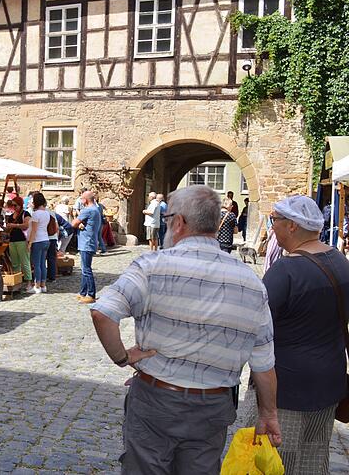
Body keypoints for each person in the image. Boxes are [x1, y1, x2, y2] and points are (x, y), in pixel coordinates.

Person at [89, 185, 281, 473]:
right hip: (213, 405)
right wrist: (269, 413)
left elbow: (103, 313)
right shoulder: (251, 282)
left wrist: (122, 357)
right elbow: (264, 364)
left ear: (178, 223)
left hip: (157, 399)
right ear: (215, 225)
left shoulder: (151, 266)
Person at [250, 195, 348, 474]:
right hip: (329, 380)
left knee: (275, 463)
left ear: (292, 226)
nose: (272, 227)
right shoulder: (340, 261)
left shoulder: (286, 270)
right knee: (313, 461)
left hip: (287, 387)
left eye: (274, 221)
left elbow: (258, 328)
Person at [72, 191, 100, 303]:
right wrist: (81, 224)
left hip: (86, 243)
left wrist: (78, 223)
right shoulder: (96, 209)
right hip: (89, 241)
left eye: (81, 199)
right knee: (84, 268)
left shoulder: (87, 210)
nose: (81, 201)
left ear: (85, 200)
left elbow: (73, 223)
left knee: (87, 270)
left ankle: (91, 294)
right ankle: (83, 292)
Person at [4, 197, 32, 287]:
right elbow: (8, 230)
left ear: (20, 205)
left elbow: (26, 225)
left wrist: (14, 225)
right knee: (15, 263)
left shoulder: (25, 214)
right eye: (12, 205)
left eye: (15, 205)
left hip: (22, 240)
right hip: (12, 241)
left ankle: (28, 282)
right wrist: (8, 227)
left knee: (25, 262)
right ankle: (18, 282)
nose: (14, 207)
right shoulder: (11, 216)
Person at [27, 192, 51, 294]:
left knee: (36, 264)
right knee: (42, 264)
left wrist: (30, 243)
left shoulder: (36, 214)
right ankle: (43, 285)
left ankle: (37, 286)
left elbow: (34, 230)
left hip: (38, 240)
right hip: (45, 239)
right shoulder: (47, 213)